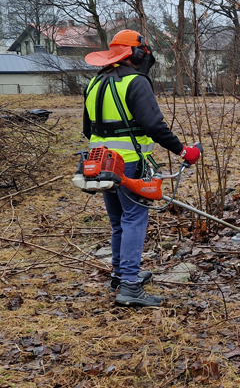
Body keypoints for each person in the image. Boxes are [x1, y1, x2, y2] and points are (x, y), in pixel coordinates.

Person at [83, 29, 201, 307]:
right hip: (128, 162)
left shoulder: (95, 82)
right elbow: (154, 126)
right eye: (144, 51)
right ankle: (131, 287)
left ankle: (120, 275)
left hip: (99, 159)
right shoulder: (136, 82)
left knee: (118, 221)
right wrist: (185, 151)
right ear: (136, 53)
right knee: (134, 219)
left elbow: (88, 128)